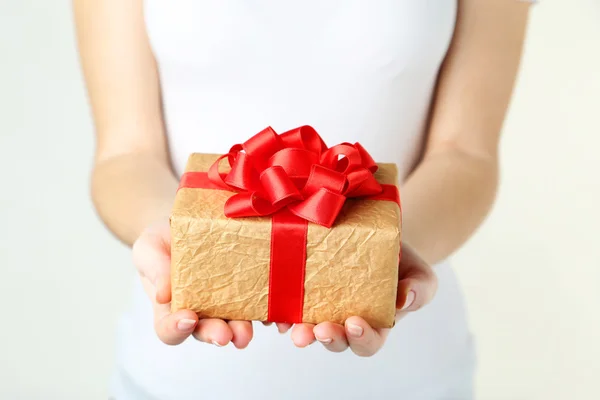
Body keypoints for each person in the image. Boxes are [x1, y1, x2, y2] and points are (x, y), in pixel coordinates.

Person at [73, 0, 531, 398]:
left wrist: (380, 258)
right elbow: (126, 153)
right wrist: (184, 248)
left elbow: (466, 152)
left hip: (411, 377)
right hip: (174, 382)